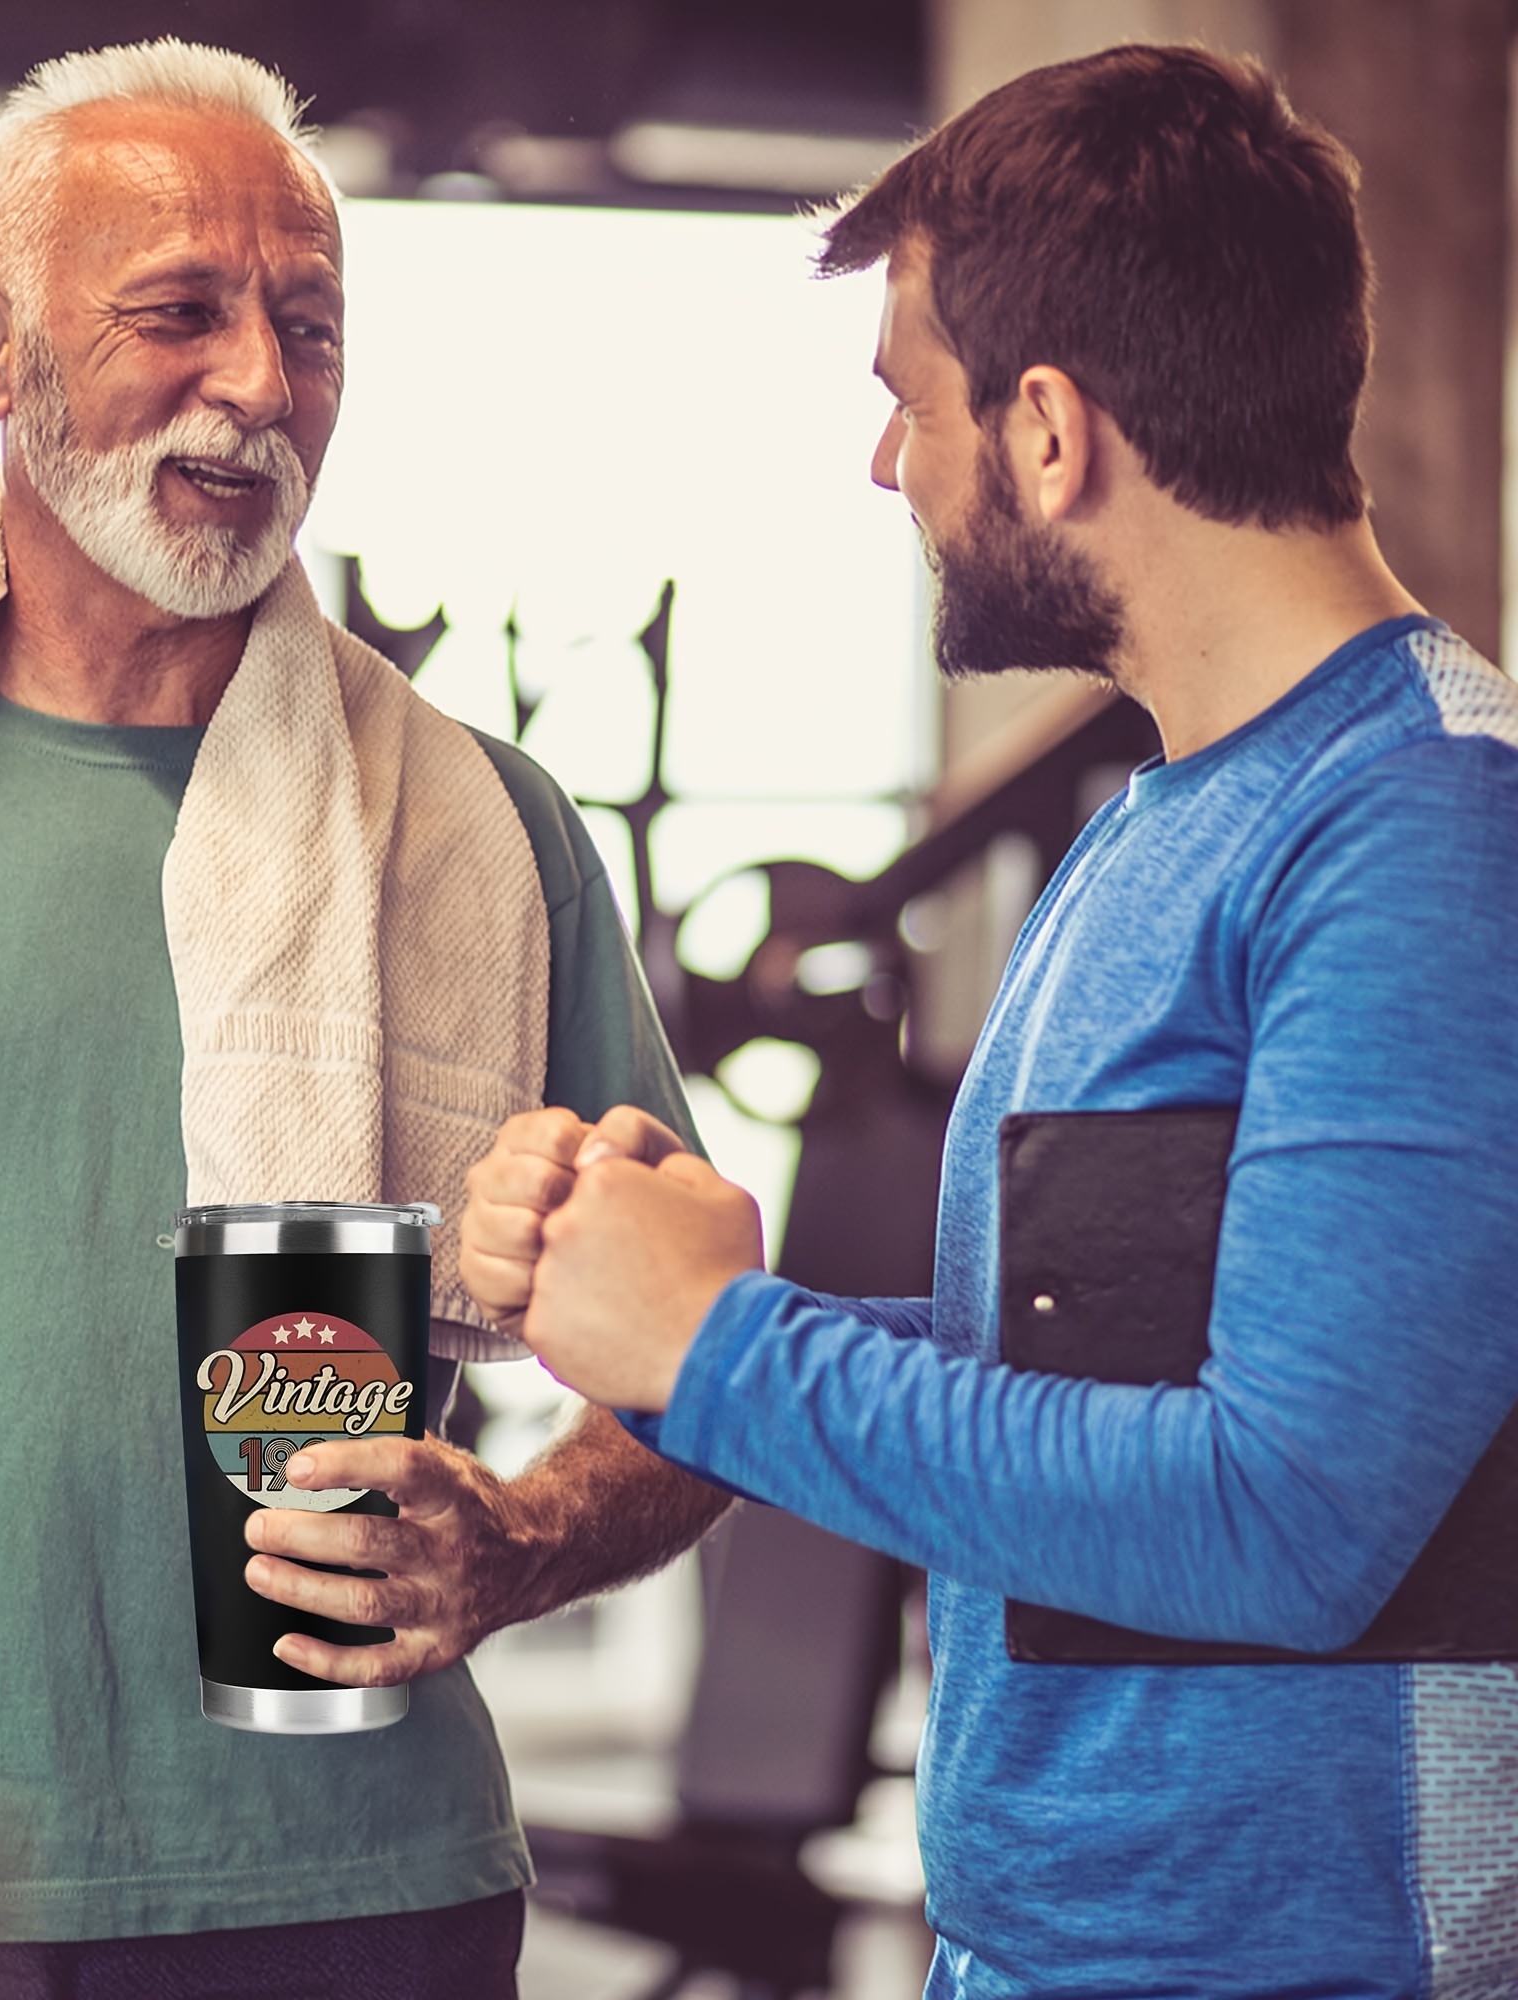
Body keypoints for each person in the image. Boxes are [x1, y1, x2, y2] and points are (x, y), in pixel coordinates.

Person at [0, 38, 727, 1997]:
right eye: (178, 311)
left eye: (309, 325)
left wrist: (516, 1537)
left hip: (361, 1890)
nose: (259, 382)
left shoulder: (485, 835)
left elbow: (700, 1375)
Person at [461, 43, 1518, 2000]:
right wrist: (643, 1309)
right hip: (1038, 1953)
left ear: (1046, 430)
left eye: (903, 402)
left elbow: (1284, 1519)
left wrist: (721, 1348)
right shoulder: (1154, 824)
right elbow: (1054, 1374)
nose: (888, 466)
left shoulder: (1427, 836)